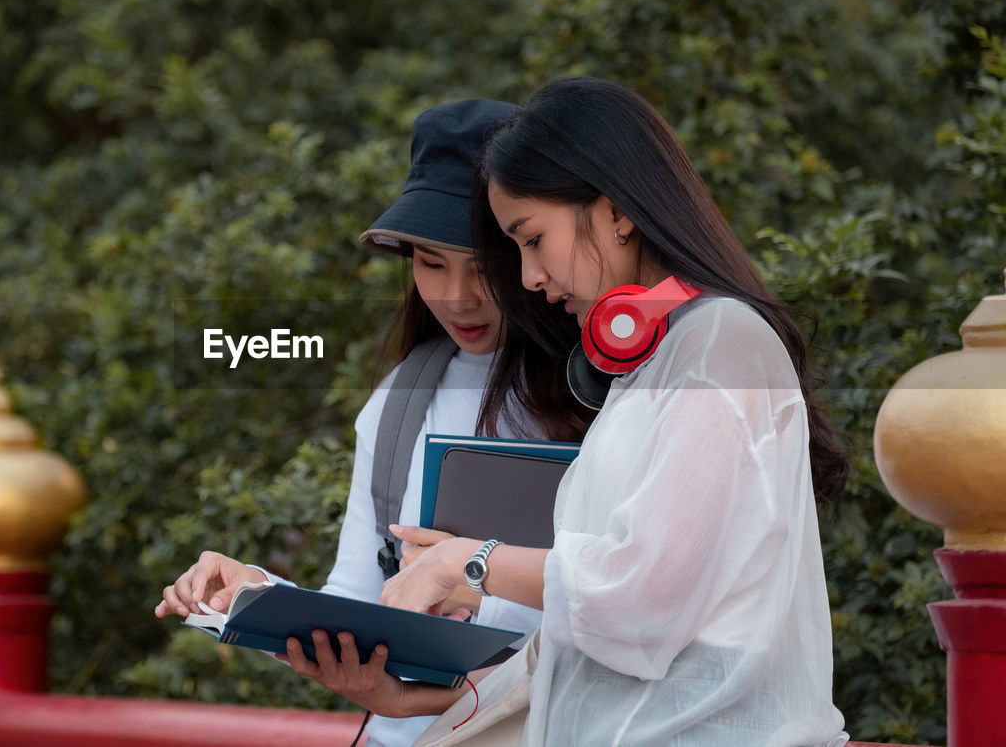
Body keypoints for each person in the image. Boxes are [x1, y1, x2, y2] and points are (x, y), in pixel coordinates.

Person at [374, 76, 852, 745]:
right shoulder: (658, 360)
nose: (530, 278)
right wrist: (427, 700)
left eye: (532, 239)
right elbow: (589, 655)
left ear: (616, 213)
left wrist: (468, 563)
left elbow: (643, 602)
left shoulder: (719, 343)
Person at [155, 98, 589, 747]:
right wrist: (255, 594)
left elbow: (628, 612)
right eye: (431, 263)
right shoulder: (401, 398)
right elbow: (362, 602)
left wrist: (467, 586)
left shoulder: (603, 395)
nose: (456, 296)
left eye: (484, 268)